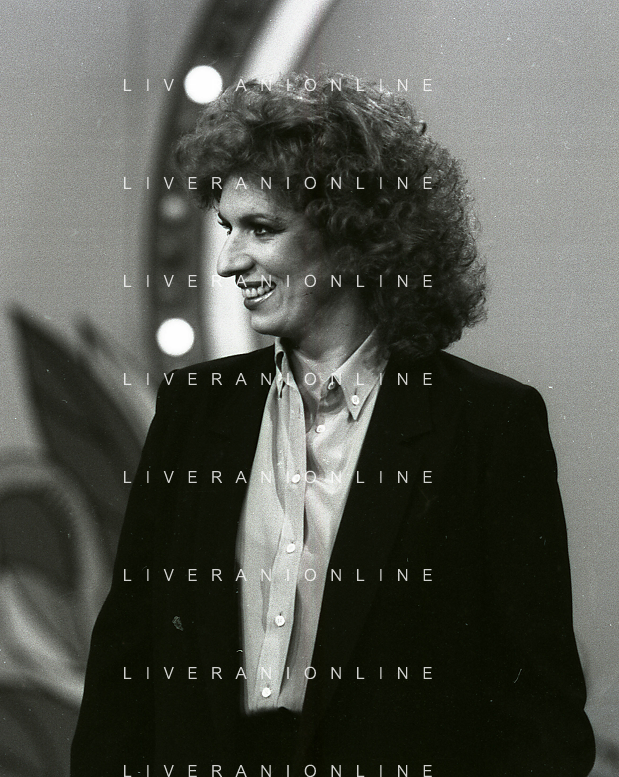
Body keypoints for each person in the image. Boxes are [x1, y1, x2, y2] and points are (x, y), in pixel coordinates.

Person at [72, 75, 594, 776]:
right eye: (227, 228)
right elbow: (124, 671)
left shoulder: (487, 425)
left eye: (261, 229)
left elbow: (541, 713)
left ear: (351, 233)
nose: (227, 261)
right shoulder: (195, 409)